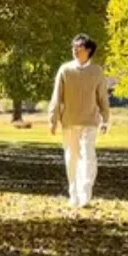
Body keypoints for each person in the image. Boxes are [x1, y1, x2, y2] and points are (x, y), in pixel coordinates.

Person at [48, 34, 110, 208]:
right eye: (73, 48)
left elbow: (102, 98)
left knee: (88, 157)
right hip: (69, 121)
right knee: (71, 158)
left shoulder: (96, 72)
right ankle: (73, 194)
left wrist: (105, 119)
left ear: (88, 50)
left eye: (79, 48)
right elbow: (56, 96)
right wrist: (52, 119)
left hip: (90, 122)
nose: (75, 51)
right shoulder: (65, 70)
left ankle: (85, 194)